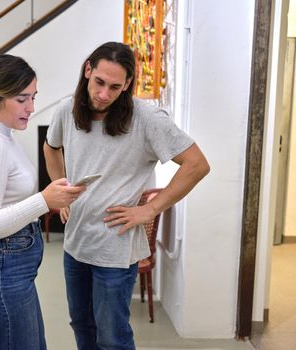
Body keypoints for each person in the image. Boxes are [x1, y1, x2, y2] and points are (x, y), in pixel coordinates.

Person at [43, 42, 210, 350]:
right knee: (81, 325)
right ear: (88, 70)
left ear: (128, 84)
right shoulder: (67, 109)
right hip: (76, 246)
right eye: (99, 83)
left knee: (112, 338)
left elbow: (197, 164)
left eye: (115, 87)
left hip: (115, 251)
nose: (104, 94)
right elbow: (51, 147)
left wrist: (150, 209)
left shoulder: (146, 118)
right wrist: (61, 189)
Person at [0, 54, 85, 350]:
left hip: (8, 272)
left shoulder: (3, 136)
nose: (32, 108)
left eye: (33, 97)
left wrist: (50, 197)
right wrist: (43, 200)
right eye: (22, 99)